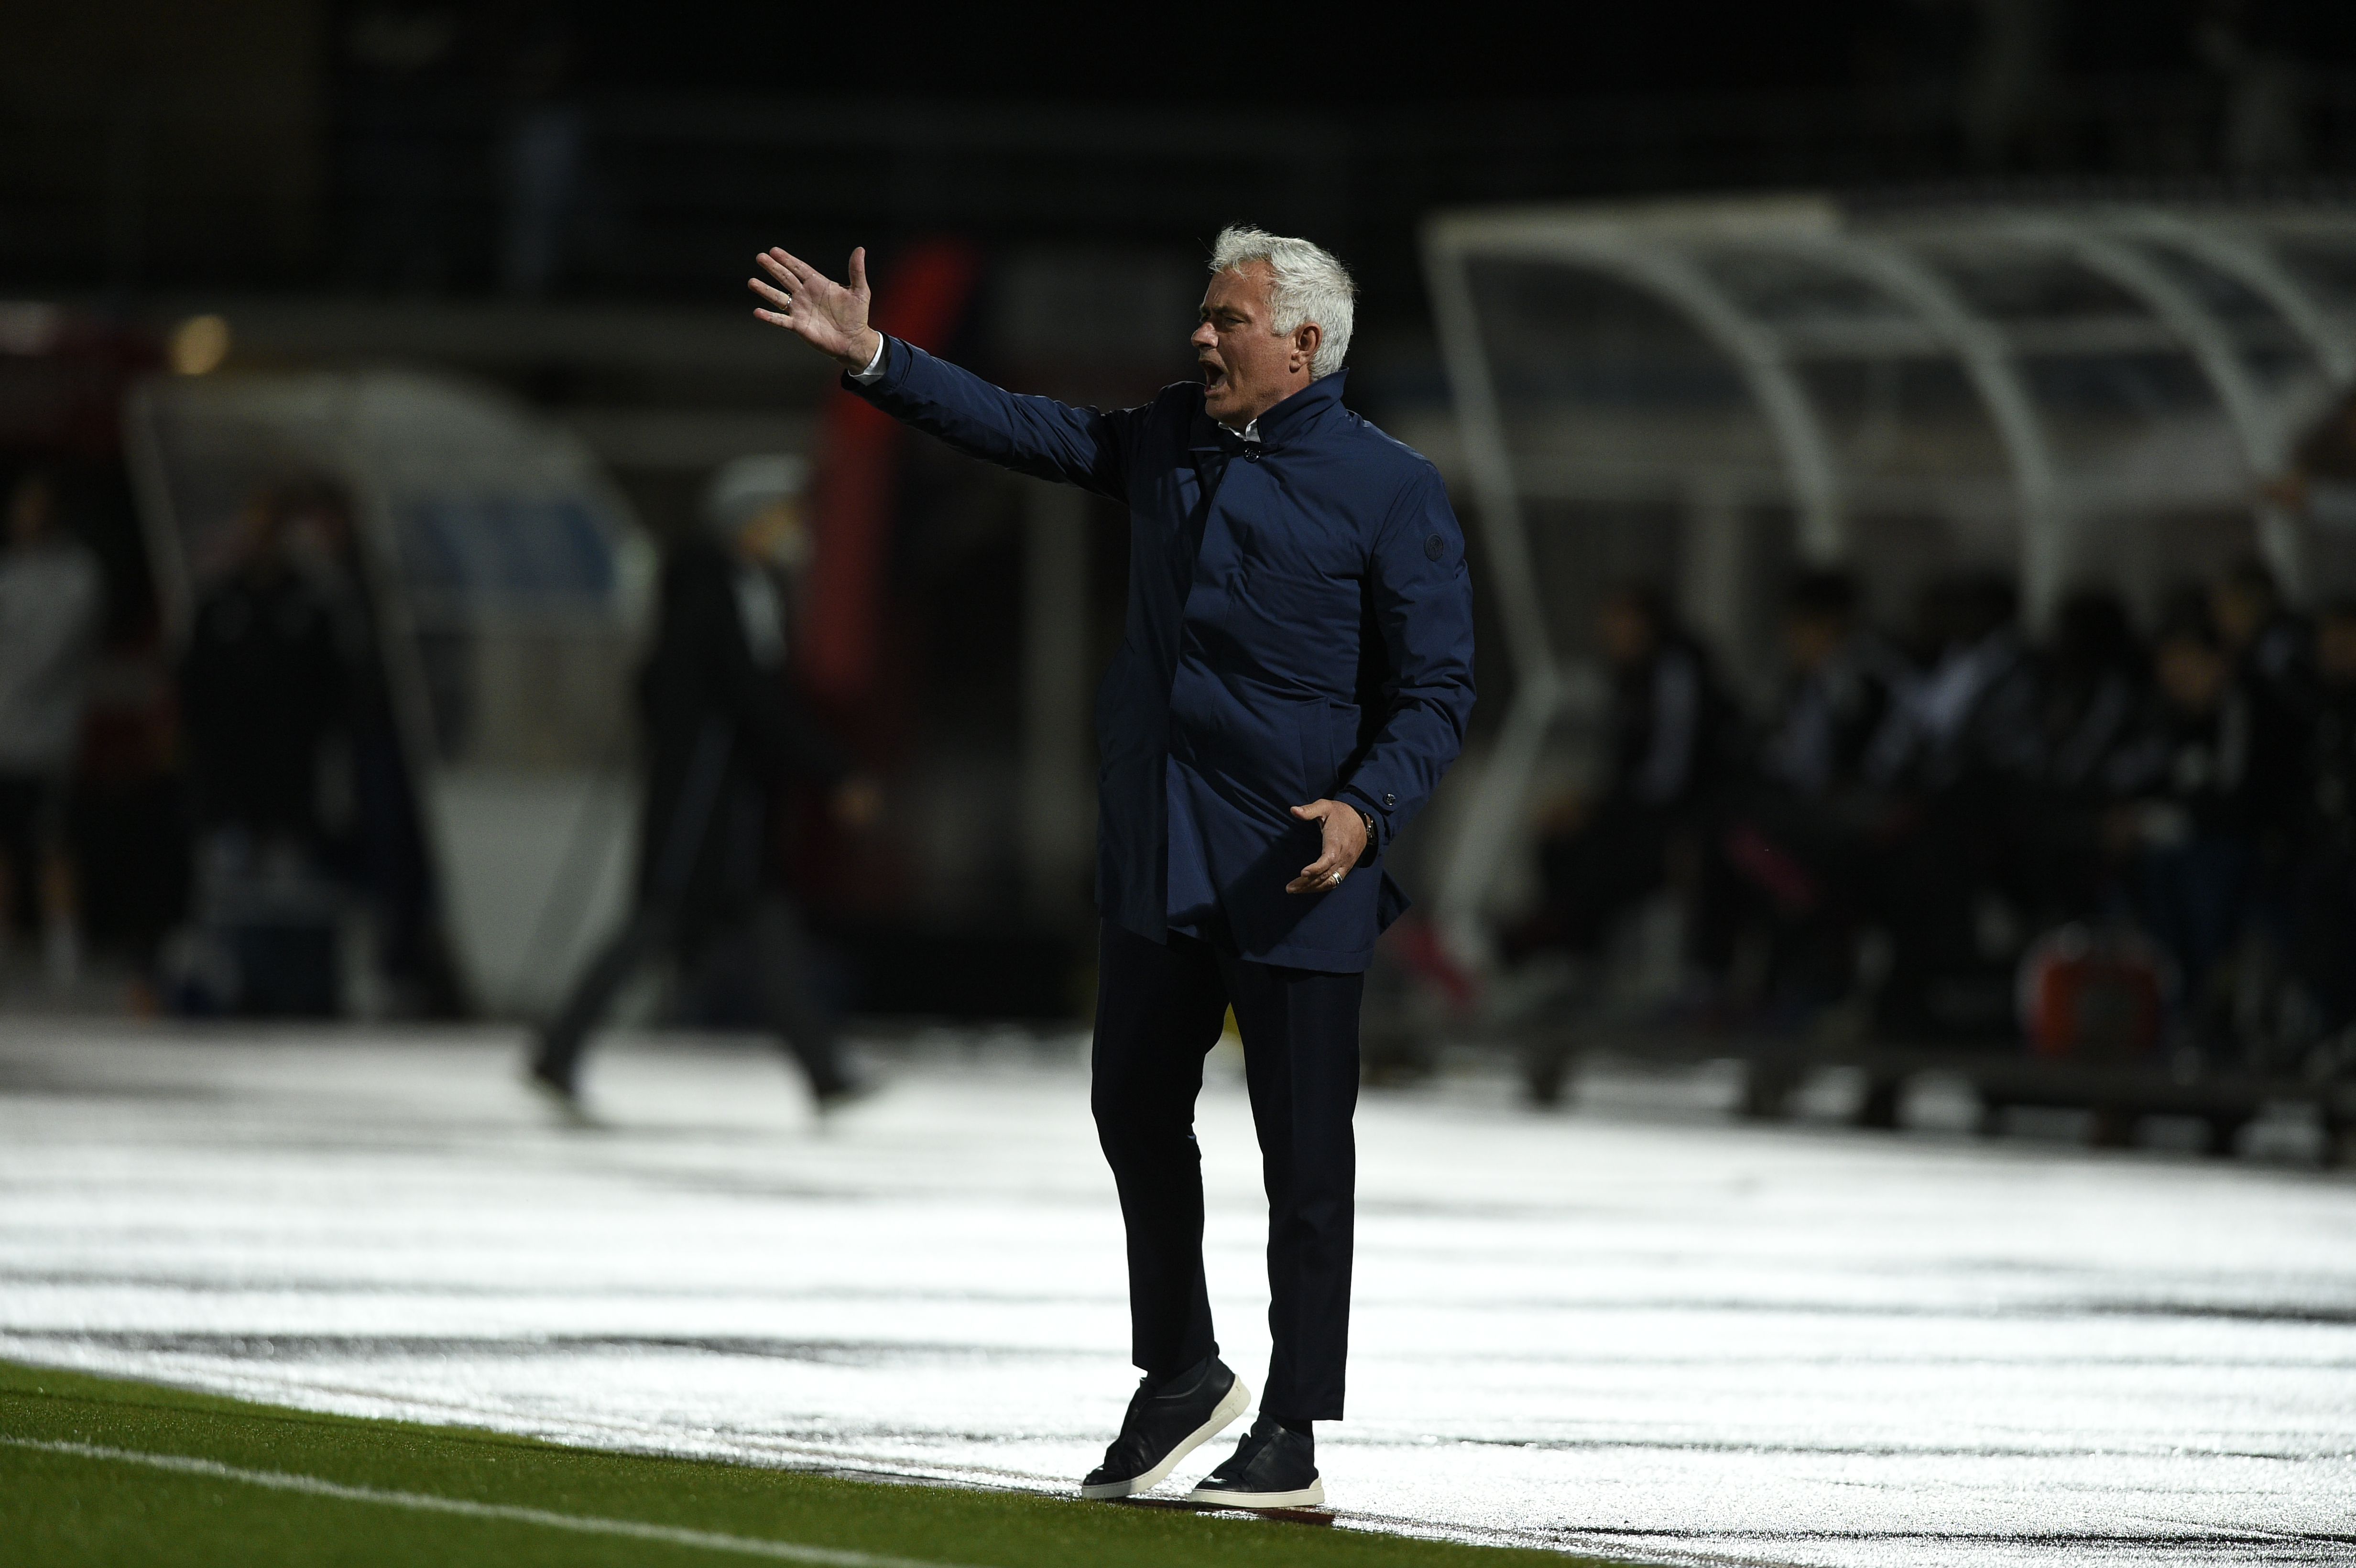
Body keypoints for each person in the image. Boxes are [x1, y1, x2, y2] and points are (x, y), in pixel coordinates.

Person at [749, 227, 1474, 1509]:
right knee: (1132, 1106)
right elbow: (1023, 429)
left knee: (1307, 1164)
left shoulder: (1394, 489)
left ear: (1304, 345)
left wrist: (1367, 811)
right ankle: (1183, 1370)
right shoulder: (1169, 438)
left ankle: (1295, 1429)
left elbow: (1436, 693)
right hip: (1163, 856)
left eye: (1228, 321)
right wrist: (876, 357)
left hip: (1300, 867)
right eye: (1204, 316)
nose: (1201, 337)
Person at [529, 458, 876, 1115]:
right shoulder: (709, 590)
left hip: (737, 806)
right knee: (658, 925)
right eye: (780, 516)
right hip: (704, 803)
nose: (792, 529)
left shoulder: (753, 588)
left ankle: (822, 1068)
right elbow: (743, 696)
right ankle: (559, 1049)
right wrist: (831, 770)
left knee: (764, 929)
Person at [178, 488, 351, 1015]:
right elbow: (193, 686)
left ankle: (286, 989)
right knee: (225, 890)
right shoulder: (220, 603)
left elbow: (331, 692)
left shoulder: (309, 604)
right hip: (229, 782)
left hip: (289, 783)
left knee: (286, 890)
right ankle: (226, 989)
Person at [0, 470, 102, 984]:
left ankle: (64, 942)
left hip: (47, 738)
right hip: (3, 736)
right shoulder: (9, 574)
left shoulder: (76, 575)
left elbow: (53, 652)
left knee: (52, 841)